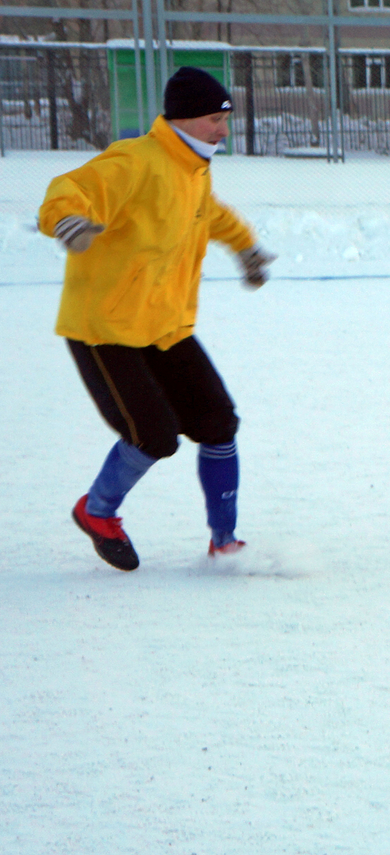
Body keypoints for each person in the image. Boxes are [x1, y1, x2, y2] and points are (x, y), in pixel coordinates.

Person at [37, 66, 276, 571]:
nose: (223, 130)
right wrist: (67, 219)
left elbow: (209, 214)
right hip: (104, 328)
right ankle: (97, 511)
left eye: (225, 119)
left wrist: (246, 248)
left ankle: (225, 542)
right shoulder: (137, 160)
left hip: (164, 326)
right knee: (154, 435)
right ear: (186, 118)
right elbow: (71, 186)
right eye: (215, 119)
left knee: (218, 422)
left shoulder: (193, 170)